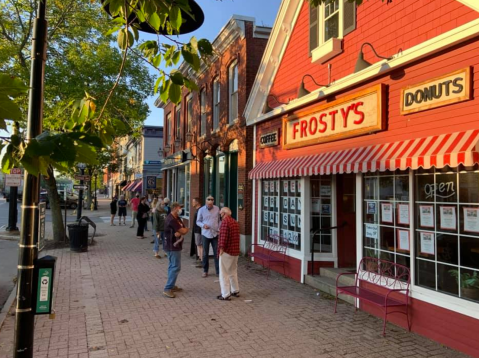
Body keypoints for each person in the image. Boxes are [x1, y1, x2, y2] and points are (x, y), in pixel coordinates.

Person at [163, 202, 188, 298]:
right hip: (172, 246)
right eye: (179, 208)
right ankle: (168, 288)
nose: (180, 209)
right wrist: (184, 230)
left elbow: (182, 228)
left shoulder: (176, 218)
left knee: (172, 266)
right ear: (175, 208)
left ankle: (172, 285)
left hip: (175, 245)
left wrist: (183, 230)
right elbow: (183, 230)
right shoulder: (171, 219)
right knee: (175, 266)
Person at [217, 207, 240, 301]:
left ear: (223, 213)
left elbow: (224, 237)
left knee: (223, 273)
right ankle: (235, 290)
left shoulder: (225, 222)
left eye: (220, 213)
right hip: (235, 251)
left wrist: (221, 249)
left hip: (227, 251)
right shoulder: (234, 222)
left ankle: (225, 294)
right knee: (233, 272)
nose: (219, 215)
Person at [196, 195, 221, 278]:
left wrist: (219, 228)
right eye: (209, 201)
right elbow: (198, 221)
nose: (210, 203)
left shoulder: (217, 209)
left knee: (216, 253)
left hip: (215, 233)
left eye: (212, 201)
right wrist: (203, 225)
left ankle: (218, 271)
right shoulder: (201, 210)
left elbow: (219, 220)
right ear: (206, 202)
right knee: (205, 253)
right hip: (206, 234)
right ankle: (205, 271)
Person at [192, 198, 203, 268]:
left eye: (193, 202)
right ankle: (199, 258)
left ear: (197, 202)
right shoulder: (197, 210)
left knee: (200, 245)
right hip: (196, 230)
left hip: (199, 230)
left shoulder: (200, 210)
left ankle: (202, 259)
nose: (192, 203)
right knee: (198, 244)